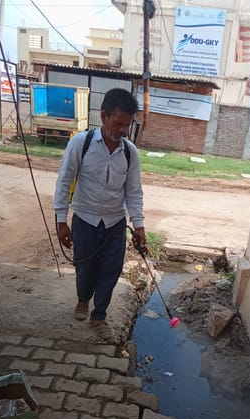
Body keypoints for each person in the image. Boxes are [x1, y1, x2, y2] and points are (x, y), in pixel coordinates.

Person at [54, 88, 146, 342]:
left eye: (127, 125)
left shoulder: (130, 152)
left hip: (115, 223)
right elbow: (64, 181)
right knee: (85, 268)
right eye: (118, 123)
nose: (123, 130)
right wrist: (61, 221)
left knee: (111, 270)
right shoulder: (80, 144)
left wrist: (139, 226)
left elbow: (134, 191)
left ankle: (99, 316)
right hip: (85, 219)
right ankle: (83, 300)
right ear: (104, 116)